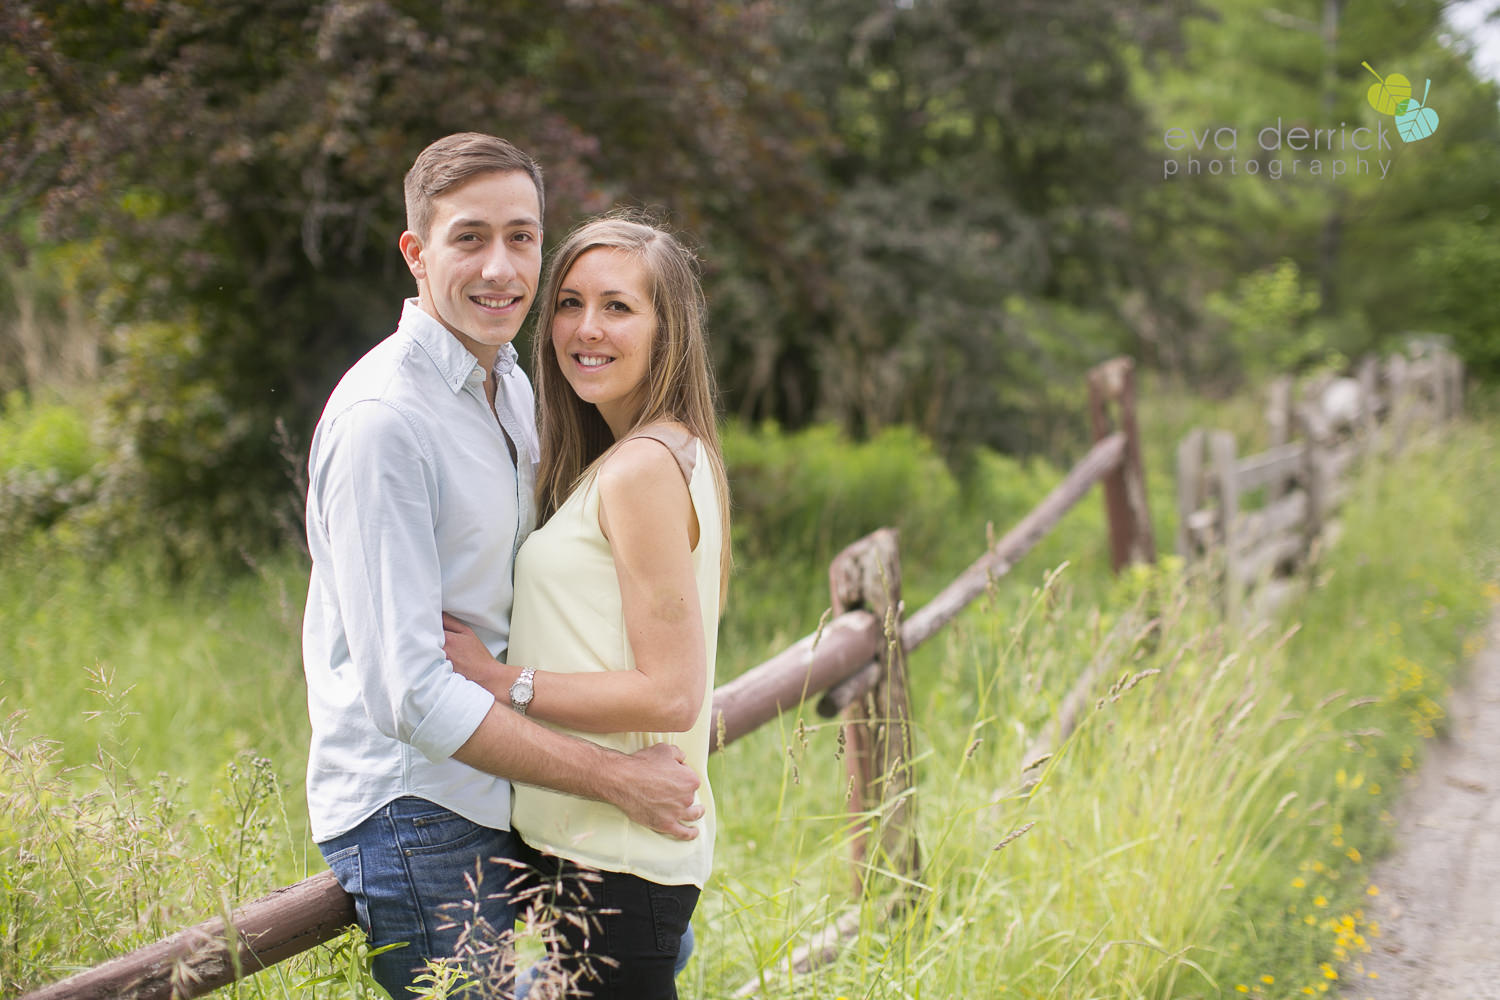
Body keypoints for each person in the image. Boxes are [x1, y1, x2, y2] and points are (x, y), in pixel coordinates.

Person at [302, 134, 704, 998]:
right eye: (470, 238)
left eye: (522, 238)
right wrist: (616, 778)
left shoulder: (515, 389)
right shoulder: (385, 421)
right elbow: (409, 691)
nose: (501, 267)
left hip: (512, 787)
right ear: (416, 253)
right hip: (419, 806)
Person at [441, 214, 730, 998]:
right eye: (568, 302)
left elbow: (672, 693)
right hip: (598, 861)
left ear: (668, 331)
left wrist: (503, 682)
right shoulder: (662, 453)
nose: (585, 328)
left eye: (617, 307)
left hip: (619, 870)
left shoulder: (641, 469)